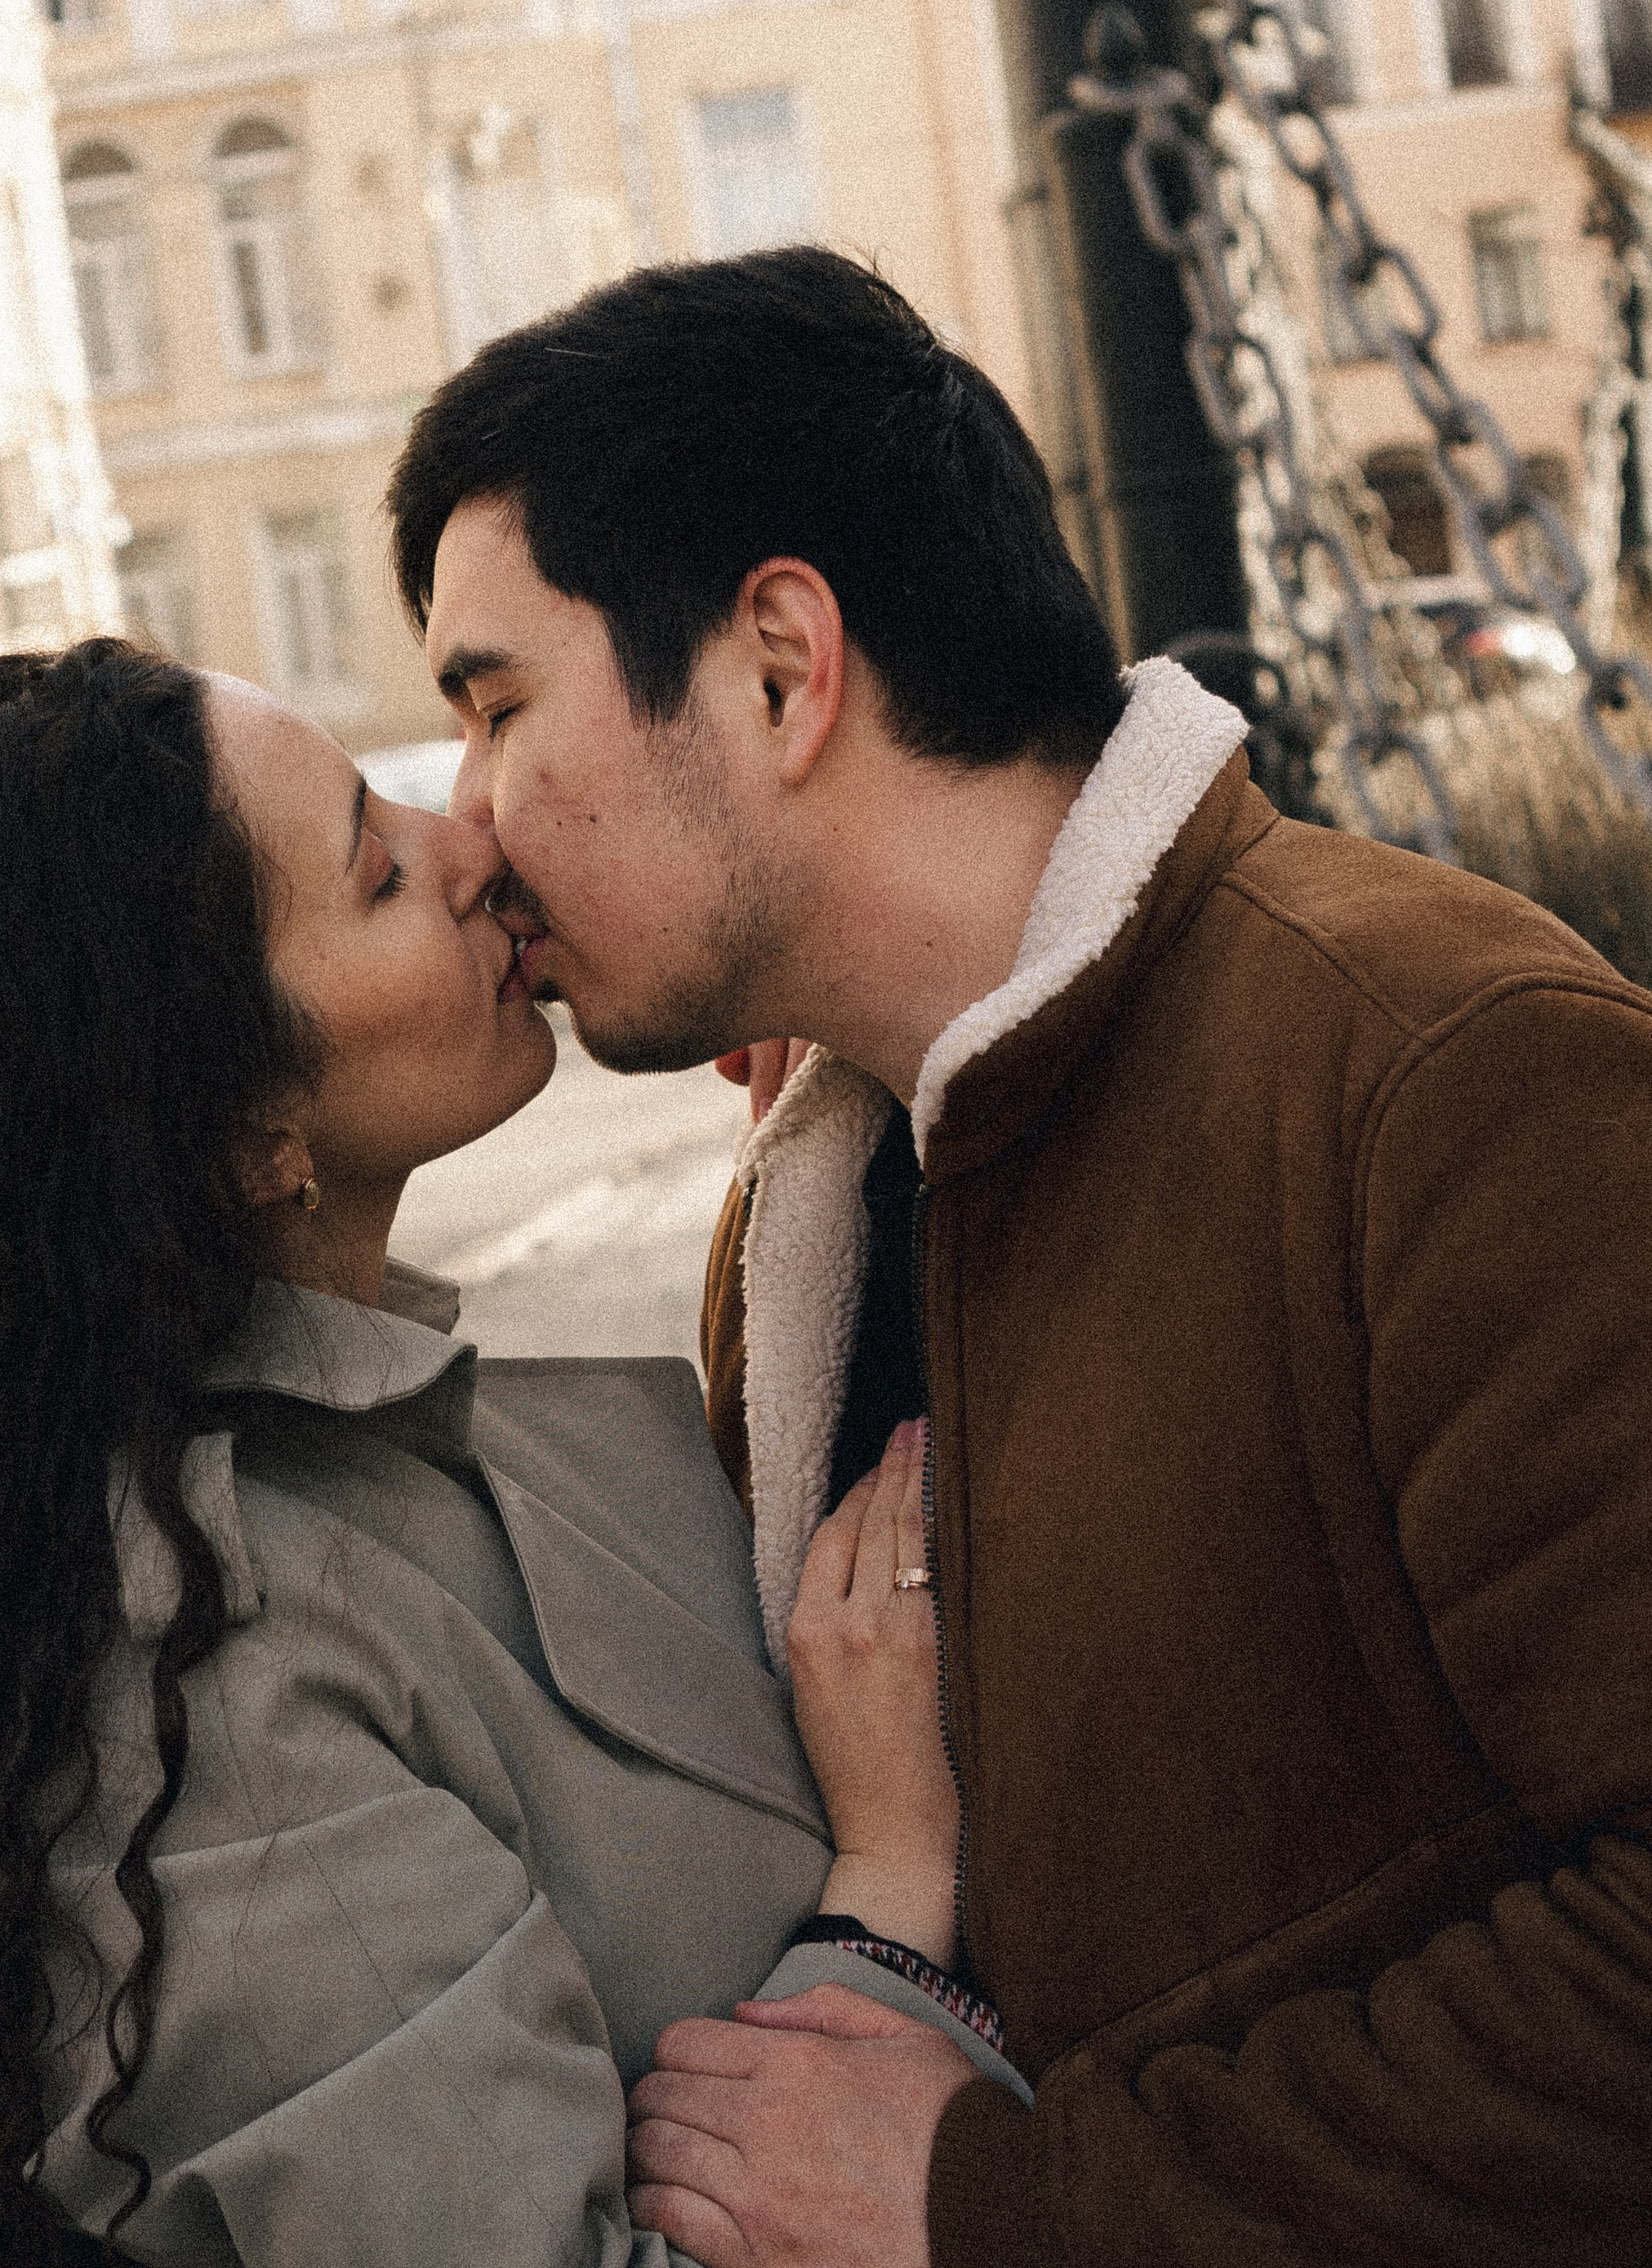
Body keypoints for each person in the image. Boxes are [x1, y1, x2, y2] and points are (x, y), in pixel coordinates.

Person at [387, 242, 1652, 2268]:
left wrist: (1017, 2211)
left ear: (781, 668)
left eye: (497, 704)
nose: (468, 821)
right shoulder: (805, 1219)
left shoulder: (1435, 1077)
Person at [0, 635, 1018, 2268]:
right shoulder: (203, 1702)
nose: (473, 843)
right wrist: (891, 1893)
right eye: (376, 865)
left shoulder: (391, 1455)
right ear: (237, 1128)